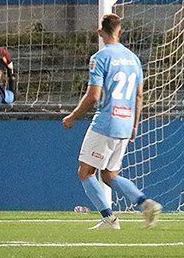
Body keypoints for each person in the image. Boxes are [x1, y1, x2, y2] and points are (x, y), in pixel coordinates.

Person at [62, 13, 162, 230]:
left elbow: (93, 96)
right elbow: (139, 95)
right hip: (125, 123)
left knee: (85, 172)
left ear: (100, 32)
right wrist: (135, 125)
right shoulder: (133, 59)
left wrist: (73, 116)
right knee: (109, 175)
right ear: (121, 32)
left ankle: (109, 219)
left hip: (106, 122)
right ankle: (145, 203)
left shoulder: (100, 57)